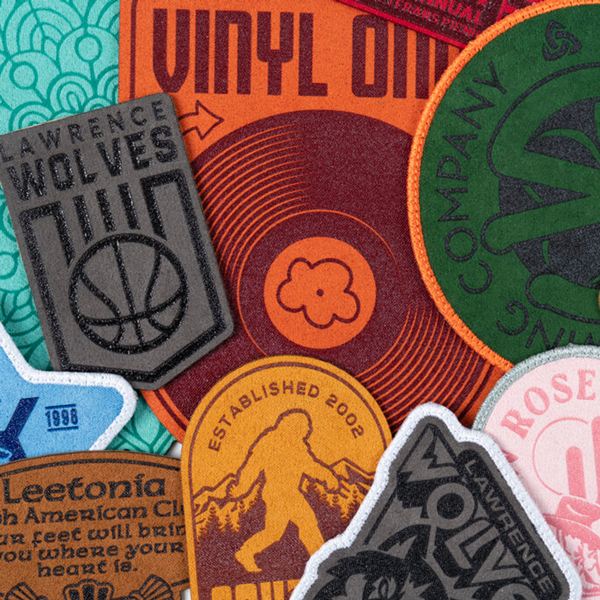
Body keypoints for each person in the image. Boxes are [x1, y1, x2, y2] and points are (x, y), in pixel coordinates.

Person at [229, 410, 341, 572]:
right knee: (293, 527)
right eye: (305, 427)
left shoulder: (297, 445)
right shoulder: (269, 442)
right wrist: (241, 488)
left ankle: (321, 560)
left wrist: (328, 477)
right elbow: (252, 467)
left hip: (290, 492)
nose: (307, 430)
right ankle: (322, 561)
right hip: (277, 492)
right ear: (295, 426)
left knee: (292, 528)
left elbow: (310, 466)